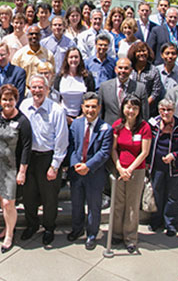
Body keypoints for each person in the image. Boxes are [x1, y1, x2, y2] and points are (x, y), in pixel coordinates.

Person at [19, 74, 69, 246]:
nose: (37, 91)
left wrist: (54, 166)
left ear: (47, 90)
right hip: (28, 158)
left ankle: (49, 227)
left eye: (41, 87)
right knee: (28, 196)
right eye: (34, 87)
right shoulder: (24, 106)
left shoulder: (56, 110)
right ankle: (32, 225)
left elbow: (62, 140)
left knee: (49, 198)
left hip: (47, 158)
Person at [67, 93, 112, 250]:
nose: (90, 110)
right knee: (77, 203)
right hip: (77, 172)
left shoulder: (106, 128)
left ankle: (92, 234)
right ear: (82, 107)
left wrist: (88, 166)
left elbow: (104, 152)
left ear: (99, 108)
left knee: (94, 206)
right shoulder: (76, 125)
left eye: (94, 106)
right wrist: (76, 165)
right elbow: (71, 147)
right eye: (87, 106)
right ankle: (77, 229)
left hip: (95, 173)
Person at [0, 84, 32, 253]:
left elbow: (27, 147)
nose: (8, 102)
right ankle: (7, 227)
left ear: (16, 100)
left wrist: (22, 171)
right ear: (0, 101)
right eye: (5, 99)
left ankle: (9, 234)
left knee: (9, 202)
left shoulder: (23, 121)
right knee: (2, 200)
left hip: (12, 166)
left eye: (11, 99)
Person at [110, 95, 152, 253]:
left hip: (136, 170)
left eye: (135, 108)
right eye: (128, 107)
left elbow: (144, 152)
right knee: (118, 203)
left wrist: (130, 169)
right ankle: (116, 233)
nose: (131, 111)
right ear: (123, 108)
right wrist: (120, 167)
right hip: (119, 169)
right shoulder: (117, 125)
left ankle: (130, 238)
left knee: (132, 205)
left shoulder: (144, 127)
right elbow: (113, 149)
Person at [147, 99, 178, 236]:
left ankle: (170, 224)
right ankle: (156, 220)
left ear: (174, 110)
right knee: (158, 194)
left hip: (175, 168)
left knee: (174, 196)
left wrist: (174, 155)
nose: (166, 113)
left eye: (169, 110)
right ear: (159, 110)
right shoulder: (152, 124)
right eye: (163, 110)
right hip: (157, 166)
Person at [98, 57, 149, 126]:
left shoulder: (140, 88)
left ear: (131, 70)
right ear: (115, 69)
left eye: (126, 68)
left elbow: (144, 114)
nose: (123, 71)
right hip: (110, 129)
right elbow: (100, 112)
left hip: (132, 129)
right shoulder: (104, 87)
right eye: (120, 68)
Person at [52, 47, 96, 122]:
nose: (73, 60)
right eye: (71, 57)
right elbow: (55, 98)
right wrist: (65, 117)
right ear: (67, 59)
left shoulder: (87, 76)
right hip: (63, 117)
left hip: (82, 117)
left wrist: (82, 115)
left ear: (80, 59)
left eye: (76, 57)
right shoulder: (60, 76)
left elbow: (91, 97)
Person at [127, 42, 162, 116]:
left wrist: (144, 104)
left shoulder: (153, 70)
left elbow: (156, 91)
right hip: (129, 107)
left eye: (144, 51)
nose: (142, 53)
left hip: (148, 109)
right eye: (138, 51)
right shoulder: (129, 68)